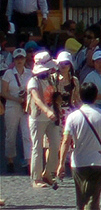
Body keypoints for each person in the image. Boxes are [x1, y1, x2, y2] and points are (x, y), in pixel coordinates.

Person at [52, 81, 101, 210]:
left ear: (80, 96)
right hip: (98, 161)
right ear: (95, 96)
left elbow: (66, 141)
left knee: (81, 201)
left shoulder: (72, 117)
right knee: (93, 201)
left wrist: (61, 164)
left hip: (79, 162)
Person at [26, 50, 59, 187]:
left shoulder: (51, 79)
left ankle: (48, 173)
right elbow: (37, 99)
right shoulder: (33, 81)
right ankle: (36, 178)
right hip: (38, 117)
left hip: (51, 118)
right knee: (37, 147)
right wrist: (46, 110)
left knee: (56, 144)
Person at [2, 47, 27, 174]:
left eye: (21, 58)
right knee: (10, 134)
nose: (19, 60)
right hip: (12, 105)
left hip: (26, 107)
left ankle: (28, 160)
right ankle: (10, 160)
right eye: (17, 58)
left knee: (27, 134)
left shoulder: (30, 73)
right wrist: (16, 99)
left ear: (25, 59)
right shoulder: (8, 73)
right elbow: (3, 92)